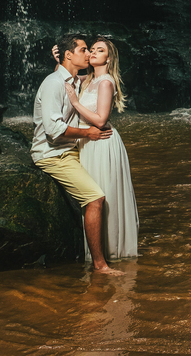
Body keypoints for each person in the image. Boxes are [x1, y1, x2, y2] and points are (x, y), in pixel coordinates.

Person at [31, 33, 124, 275]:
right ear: (69, 55)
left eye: (93, 50)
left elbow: (70, 75)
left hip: (70, 149)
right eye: (85, 49)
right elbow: (53, 130)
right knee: (95, 198)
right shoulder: (54, 83)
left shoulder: (75, 81)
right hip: (54, 153)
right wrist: (87, 133)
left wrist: (63, 61)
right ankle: (100, 265)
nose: (89, 53)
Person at [63, 36, 139, 260]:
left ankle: (110, 250)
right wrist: (59, 58)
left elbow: (100, 119)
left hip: (102, 143)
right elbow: (65, 76)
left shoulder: (106, 82)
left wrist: (75, 103)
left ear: (109, 58)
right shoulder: (87, 80)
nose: (93, 52)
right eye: (92, 49)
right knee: (91, 195)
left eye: (100, 50)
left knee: (103, 193)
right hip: (88, 142)